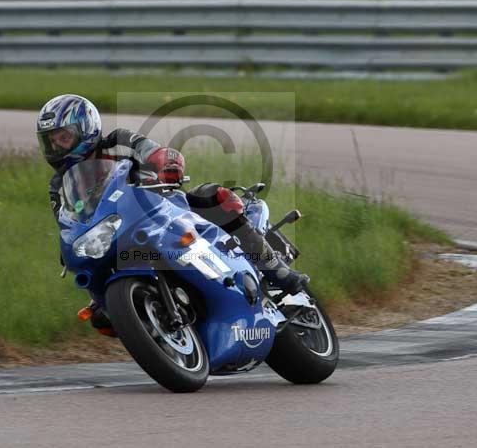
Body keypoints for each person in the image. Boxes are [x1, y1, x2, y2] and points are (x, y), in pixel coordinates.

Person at [37, 94, 310, 334]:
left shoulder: (119, 142)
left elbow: (155, 152)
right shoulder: (58, 185)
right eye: (52, 141)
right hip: (118, 232)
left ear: (86, 128)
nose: (58, 147)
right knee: (100, 308)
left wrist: (167, 163)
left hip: (164, 208)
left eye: (64, 137)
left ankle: (276, 270)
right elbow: (67, 222)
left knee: (213, 196)